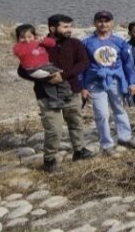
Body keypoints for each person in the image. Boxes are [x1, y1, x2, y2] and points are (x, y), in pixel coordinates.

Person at [16, 14, 93, 173]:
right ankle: (49, 160)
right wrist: (41, 77)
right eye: (65, 27)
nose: (69, 30)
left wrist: (63, 75)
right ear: (52, 28)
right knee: (54, 129)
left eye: (70, 26)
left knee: (76, 123)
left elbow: (84, 63)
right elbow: (22, 70)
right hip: (47, 94)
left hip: (72, 90)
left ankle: (79, 151)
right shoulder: (39, 46)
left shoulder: (75, 43)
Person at [81, 11, 135, 152]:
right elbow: (81, 66)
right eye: (100, 21)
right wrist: (82, 86)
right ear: (95, 23)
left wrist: (132, 82)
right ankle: (106, 144)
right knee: (102, 114)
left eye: (107, 21)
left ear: (112, 23)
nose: (103, 24)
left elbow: (128, 64)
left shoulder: (120, 42)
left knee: (119, 109)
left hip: (116, 80)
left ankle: (125, 137)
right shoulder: (86, 42)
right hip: (95, 82)